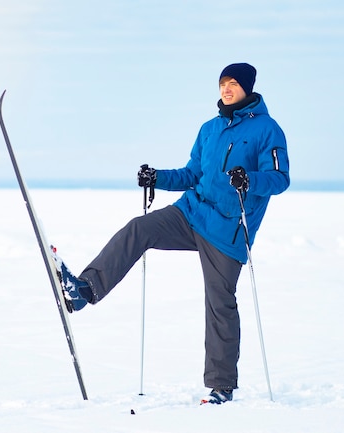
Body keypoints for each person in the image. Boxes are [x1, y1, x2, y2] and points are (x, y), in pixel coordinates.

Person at [57, 63, 290, 404]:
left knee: (220, 303)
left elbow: (280, 178)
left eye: (234, 84)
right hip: (191, 212)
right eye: (223, 83)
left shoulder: (267, 130)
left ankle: (221, 386)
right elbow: (192, 174)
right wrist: (158, 177)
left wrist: (250, 179)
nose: (226, 89)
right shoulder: (209, 129)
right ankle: (84, 289)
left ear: (248, 88)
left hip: (227, 229)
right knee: (139, 229)